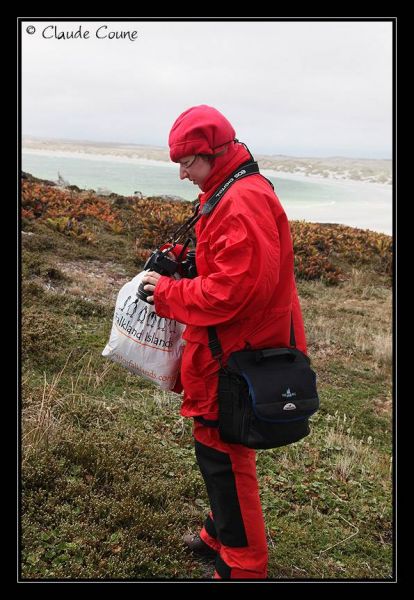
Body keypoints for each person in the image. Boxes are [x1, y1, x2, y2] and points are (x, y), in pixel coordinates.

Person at [141, 105, 307, 580]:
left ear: (213, 153)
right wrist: (184, 260)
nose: (181, 174)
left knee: (225, 455)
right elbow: (232, 267)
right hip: (229, 348)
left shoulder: (241, 200)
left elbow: (234, 292)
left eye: (187, 162)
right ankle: (220, 532)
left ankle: (243, 566)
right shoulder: (229, 190)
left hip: (234, 354)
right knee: (219, 449)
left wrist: (168, 293)